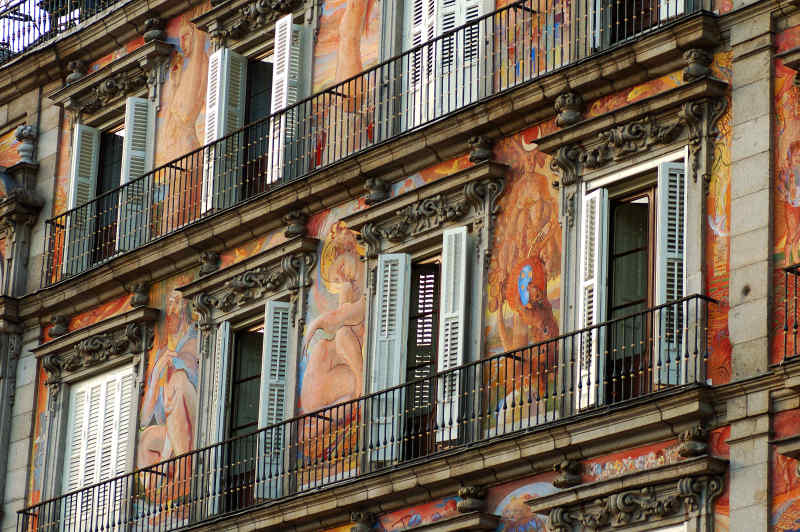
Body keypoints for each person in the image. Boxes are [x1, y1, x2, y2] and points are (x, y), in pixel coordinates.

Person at [136, 290, 199, 521]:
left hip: (192, 428)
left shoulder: (194, 342)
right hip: (169, 437)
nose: (171, 311)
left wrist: (177, 368)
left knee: (178, 383)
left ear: (186, 312)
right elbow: (143, 419)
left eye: (176, 305)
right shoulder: (162, 352)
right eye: (169, 305)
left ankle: (184, 479)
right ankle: (158, 498)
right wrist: (154, 379)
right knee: (144, 439)